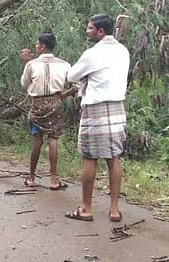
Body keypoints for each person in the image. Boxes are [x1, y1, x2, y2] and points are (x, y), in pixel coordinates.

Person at [64, 14, 130, 223]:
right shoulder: (123, 51)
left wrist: (86, 77)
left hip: (95, 109)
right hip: (117, 108)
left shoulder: (92, 54)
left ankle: (86, 207)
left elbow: (71, 76)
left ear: (101, 31)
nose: (87, 31)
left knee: (89, 157)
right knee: (113, 157)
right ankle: (114, 210)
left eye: (90, 28)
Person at [19, 32, 71, 190]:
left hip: (37, 103)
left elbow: (24, 84)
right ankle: (54, 179)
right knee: (53, 139)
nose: (35, 46)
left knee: (37, 140)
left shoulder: (31, 65)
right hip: (55, 102)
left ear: (42, 46)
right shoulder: (65, 64)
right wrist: (65, 94)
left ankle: (31, 177)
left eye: (37, 44)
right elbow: (76, 84)